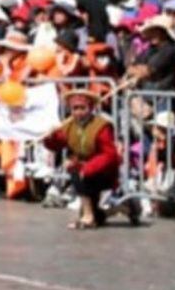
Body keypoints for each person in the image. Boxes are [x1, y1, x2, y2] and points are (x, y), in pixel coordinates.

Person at [42, 87, 122, 230]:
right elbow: (56, 145)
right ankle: (121, 208)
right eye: (75, 108)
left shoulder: (101, 126)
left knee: (76, 170)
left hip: (103, 171)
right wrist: (50, 137)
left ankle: (88, 216)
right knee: (98, 215)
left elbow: (110, 155)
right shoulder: (68, 126)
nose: (78, 112)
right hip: (83, 169)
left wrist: (88, 167)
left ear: (90, 108)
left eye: (82, 108)